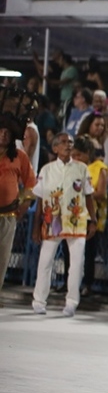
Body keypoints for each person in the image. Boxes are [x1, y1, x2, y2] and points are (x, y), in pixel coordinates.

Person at [31, 132, 96, 317]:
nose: (68, 145)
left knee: (76, 263)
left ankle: (71, 302)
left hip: (77, 221)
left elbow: (89, 196)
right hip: (53, 222)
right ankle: (39, 300)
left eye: (70, 142)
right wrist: (36, 227)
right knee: (45, 261)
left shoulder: (82, 168)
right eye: (64, 142)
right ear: (55, 147)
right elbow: (40, 201)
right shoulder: (47, 170)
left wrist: (93, 220)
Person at [0, 116, 36, 295]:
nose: (3, 134)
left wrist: (25, 204)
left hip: (7, 215)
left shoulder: (19, 156)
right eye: (0, 130)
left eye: (7, 132)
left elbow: (30, 183)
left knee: (2, 257)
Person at [74, 136, 108, 299]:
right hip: (73, 215)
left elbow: (100, 193)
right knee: (70, 252)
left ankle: (87, 285)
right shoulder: (72, 168)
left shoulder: (99, 168)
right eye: (74, 155)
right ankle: (70, 284)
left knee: (88, 252)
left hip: (91, 214)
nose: (76, 158)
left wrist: (84, 193)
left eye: (79, 155)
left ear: (88, 153)